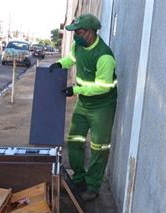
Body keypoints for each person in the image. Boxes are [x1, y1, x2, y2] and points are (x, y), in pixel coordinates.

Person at [49, 13, 117, 202]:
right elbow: (71, 59)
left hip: (102, 106)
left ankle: (93, 187)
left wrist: (76, 90)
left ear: (89, 33)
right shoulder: (78, 46)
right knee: (74, 140)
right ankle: (79, 180)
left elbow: (102, 88)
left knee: (99, 147)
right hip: (84, 103)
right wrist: (59, 64)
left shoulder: (104, 56)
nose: (75, 36)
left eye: (78, 32)